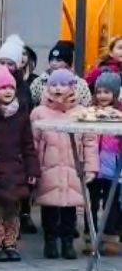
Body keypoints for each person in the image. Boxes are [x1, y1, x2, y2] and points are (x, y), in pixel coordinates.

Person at [0, 65, 39, 262]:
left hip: (15, 168)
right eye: (3, 88)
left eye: (11, 87)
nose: (8, 91)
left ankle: (10, 243)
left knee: (13, 209)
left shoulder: (20, 114)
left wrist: (32, 168)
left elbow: (28, 144)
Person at [31, 69, 98, 260]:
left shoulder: (82, 113)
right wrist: (33, 168)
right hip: (48, 167)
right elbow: (33, 143)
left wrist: (90, 167)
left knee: (70, 207)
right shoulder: (39, 113)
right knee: (49, 205)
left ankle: (68, 242)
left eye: (63, 84)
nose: (58, 88)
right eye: (54, 84)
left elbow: (90, 142)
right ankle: (50, 241)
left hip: (73, 168)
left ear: (72, 87)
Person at [86, 71, 122, 256]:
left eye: (107, 92)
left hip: (112, 163)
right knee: (90, 200)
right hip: (92, 162)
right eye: (99, 92)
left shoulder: (119, 113)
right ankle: (90, 236)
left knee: (112, 200)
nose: (102, 96)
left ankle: (110, 235)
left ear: (115, 94)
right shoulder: (89, 112)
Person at [30, 42, 91, 107]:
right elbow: (31, 102)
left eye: (58, 60)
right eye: (51, 60)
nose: (53, 63)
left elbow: (87, 104)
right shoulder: (40, 81)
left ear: (68, 63)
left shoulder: (79, 83)